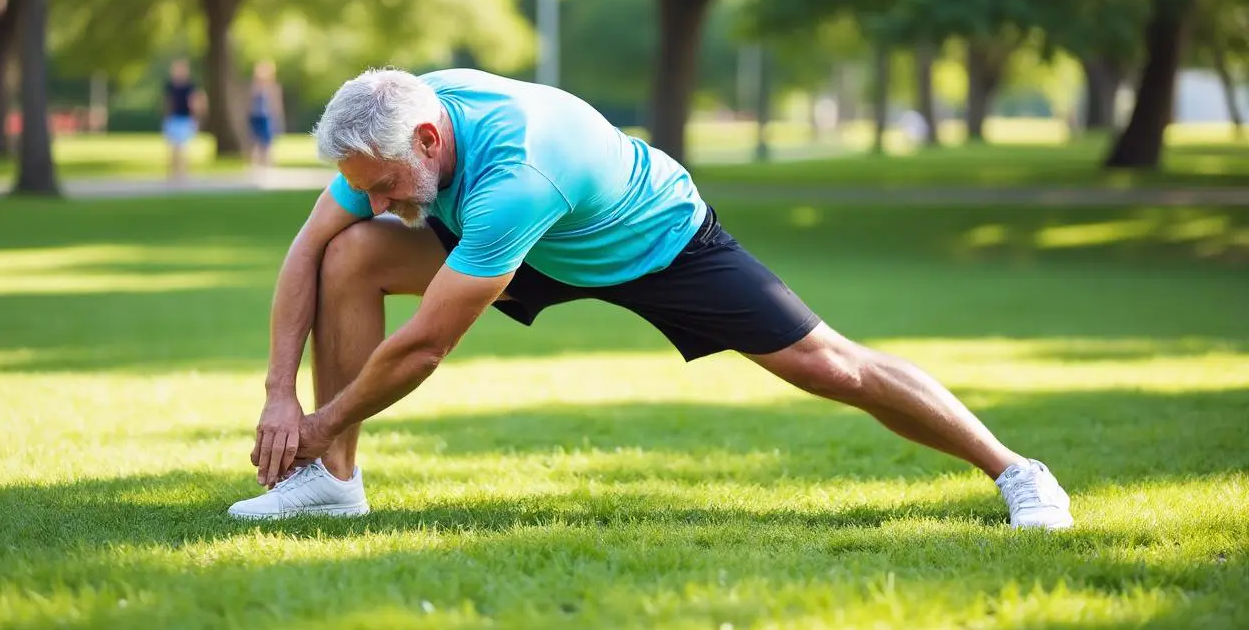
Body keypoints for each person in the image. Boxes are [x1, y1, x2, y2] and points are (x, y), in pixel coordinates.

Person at [229, 67, 1074, 530]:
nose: (378, 202)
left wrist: (319, 418)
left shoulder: (517, 172)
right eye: (367, 188)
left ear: (428, 139)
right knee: (347, 254)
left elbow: (425, 345)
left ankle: (1018, 472)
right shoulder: (389, 131)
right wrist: (278, 394)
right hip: (528, 243)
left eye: (384, 186)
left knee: (832, 367)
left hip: (655, 243)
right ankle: (333, 484)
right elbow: (305, 247)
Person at [162, 59, 203, 181]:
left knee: (183, 147)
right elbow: (167, 102)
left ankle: (183, 173)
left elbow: (195, 102)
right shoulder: (170, 86)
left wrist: (195, 116)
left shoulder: (190, 86)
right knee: (173, 148)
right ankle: (173, 173)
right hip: (173, 118)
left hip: (185, 119)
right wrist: (166, 116)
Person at [248, 60, 285, 169]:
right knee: (256, 140)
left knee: (267, 140)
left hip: (267, 117)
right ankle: (256, 162)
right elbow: (251, 103)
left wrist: (278, 116)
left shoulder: (273, 88)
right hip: (256, 116)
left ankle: (267, 161)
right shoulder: (255, 87)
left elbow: (276, 104)